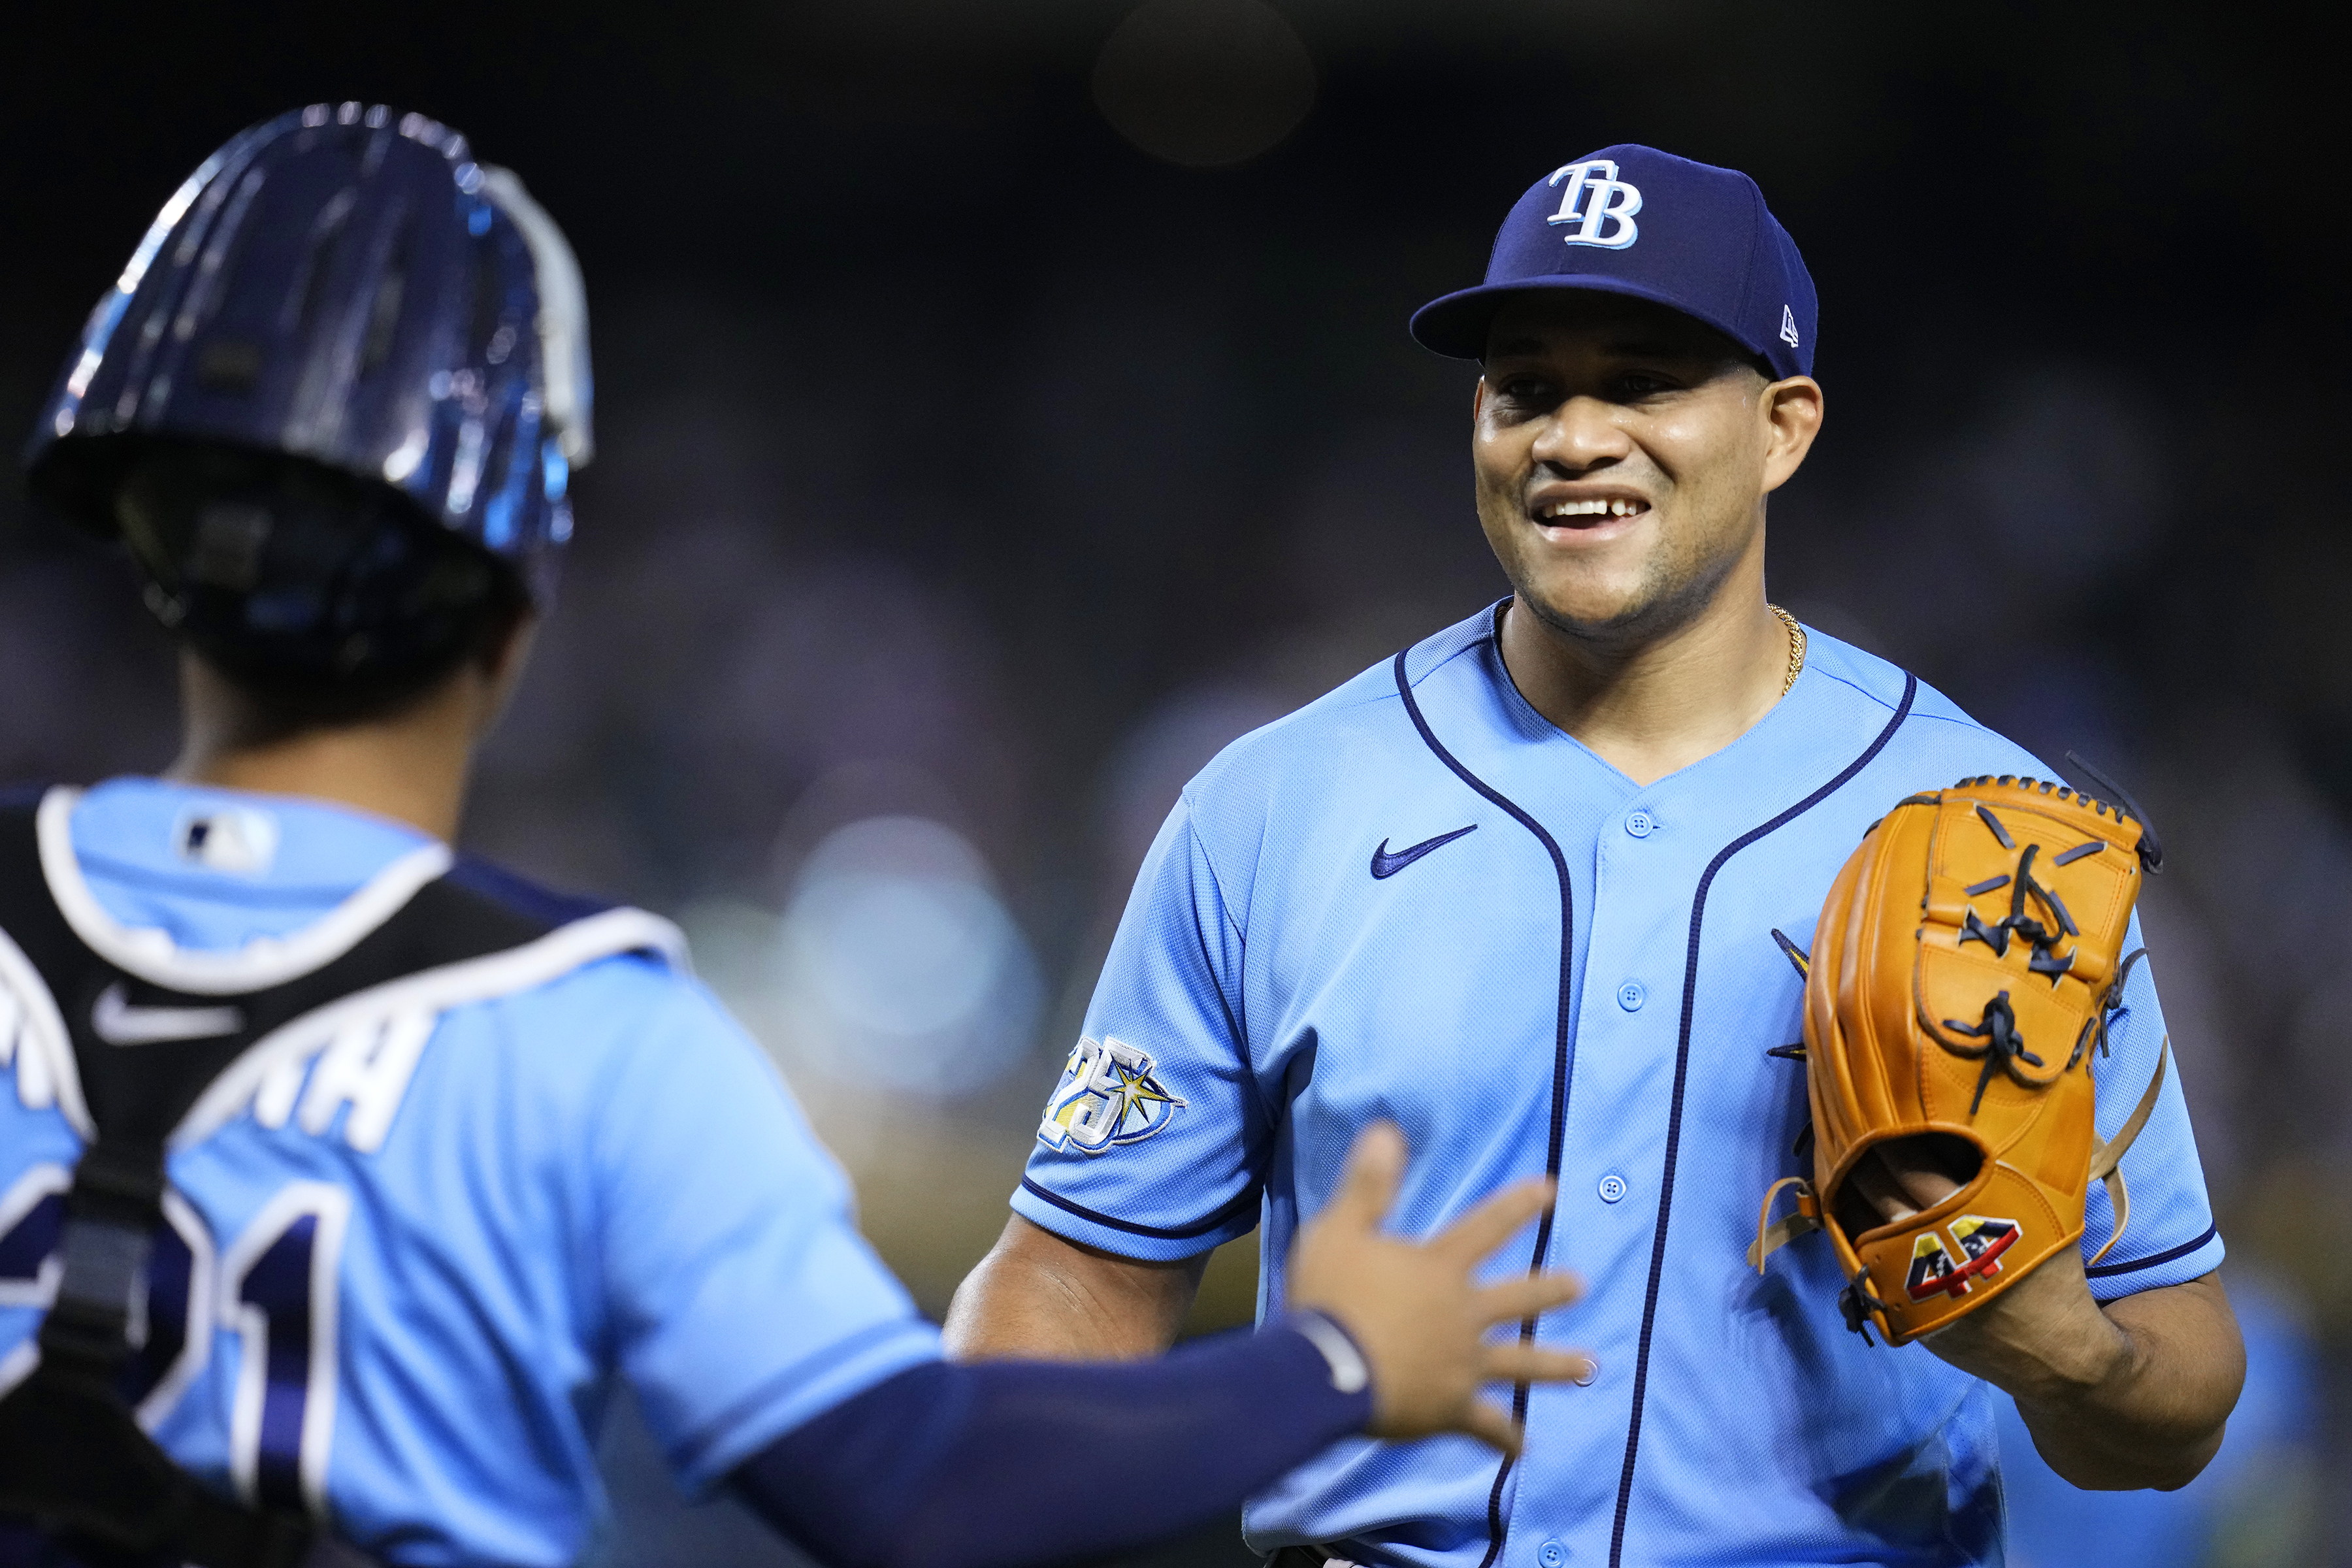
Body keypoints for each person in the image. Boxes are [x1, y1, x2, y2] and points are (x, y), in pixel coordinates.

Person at [0, 106, 1592, 1568]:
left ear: (147, 550)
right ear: (518, 601)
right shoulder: (579, 1037)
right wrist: (1338, 1358)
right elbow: (914, 1484)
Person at [945, 144, 2246, 1567]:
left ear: (1783, 427)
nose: (1573, 436)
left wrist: (2073, 1358)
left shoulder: (1991, 828)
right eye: (1526, 389)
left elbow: (2177, 1379)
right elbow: (1075, 1284)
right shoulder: (1273, 806)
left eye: (1642, 382)